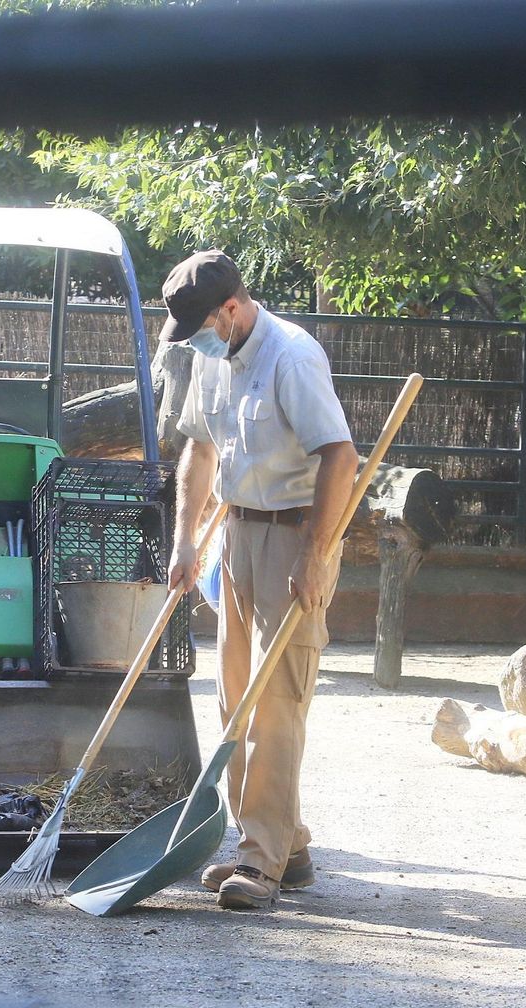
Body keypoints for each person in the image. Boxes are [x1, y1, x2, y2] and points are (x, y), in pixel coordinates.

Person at [163, 250, 359, 910]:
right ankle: (280, 841)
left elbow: (341, 456)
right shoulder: (210, 357)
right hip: (235, 535)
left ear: (233, 308)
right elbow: (199, 447)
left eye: (201, 326)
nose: (195, 341)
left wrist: (316, 553)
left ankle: (263, 861)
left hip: (295, 535)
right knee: (237, 701)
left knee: (276, 705)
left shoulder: (292, 355)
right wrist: (186, 539)